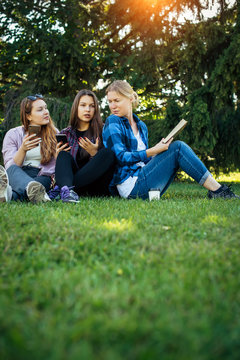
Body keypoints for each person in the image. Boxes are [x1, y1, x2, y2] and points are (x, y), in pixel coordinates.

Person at [102, 80, 240, 200]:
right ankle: (218, 191)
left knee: (174, 148)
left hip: (144, 179)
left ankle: (218, 190)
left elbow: (143, 160)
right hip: (131, 187)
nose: (112, 106)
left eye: (117, 100)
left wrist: (157, 152)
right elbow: (120, 157)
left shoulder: (141, 126)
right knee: (178, 147)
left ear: (130, 98)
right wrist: (152, 151)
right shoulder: (113, 121)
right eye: (110, 101)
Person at [52, 89, 115, 202]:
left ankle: (63, 190)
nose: (87, 109)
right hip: (72, 186)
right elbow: (64, 167)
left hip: (97, 186)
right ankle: (67, 192)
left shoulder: (104, 130)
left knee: (107, 153)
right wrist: (58, 159)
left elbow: (110, 164)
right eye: (83, 105)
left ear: (96, 109)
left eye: (92, 106)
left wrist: (94, 154)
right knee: (62, 155)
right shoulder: (66, 133)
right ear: (76, 107)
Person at [0, 94, 57, 203]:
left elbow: (57, 167)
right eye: (40, 110)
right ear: (28, 116)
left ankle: (10, 195)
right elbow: (10, 167)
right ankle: (36, 191)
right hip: (18, 174)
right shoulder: (12, 134)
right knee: (11, 170)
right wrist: (23, 149)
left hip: (42, 175)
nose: (46, 112)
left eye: (46, 108)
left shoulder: (54, 134)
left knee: (40, 181)